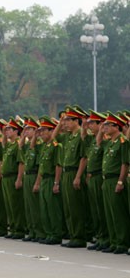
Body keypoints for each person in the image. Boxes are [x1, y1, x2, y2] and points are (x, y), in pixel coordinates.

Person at [53, 106, 88, 248]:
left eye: (68, 120)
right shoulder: (68, 136)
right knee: (68, 207)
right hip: (66, 173)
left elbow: (83, 158)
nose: (65, 123)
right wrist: (60, 122)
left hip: (74, 172)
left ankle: (79, 237)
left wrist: (78, 177)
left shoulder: (81, 135)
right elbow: (54, 137)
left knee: (75, 207)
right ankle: (73, 235)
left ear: (76, 121)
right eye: (64, 120)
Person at [98, 112, 130, 254]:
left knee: (118, 213)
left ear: (116, 127)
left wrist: (120, 181)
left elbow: (124, 163)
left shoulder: (122, 142)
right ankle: (114, 241)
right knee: (109, 213)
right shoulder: (110, 142)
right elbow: (98, 142)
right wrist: (101, 130)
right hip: (107, 180)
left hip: (115, 179)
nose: (104, 128)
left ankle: (122, 242)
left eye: (107, 125)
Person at [34, 116, 63, 245]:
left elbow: (58, 165)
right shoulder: (44, 147)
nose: (41, 134)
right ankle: (48, 233)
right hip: (44, 179)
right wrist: (38, 183)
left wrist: (56, 183)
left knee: (53, 208)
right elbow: (41, 167)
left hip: (51, 179)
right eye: (40, 131)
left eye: (44, 131)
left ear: (51, 131)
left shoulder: (56, 146)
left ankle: (56, 234)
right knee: (44, 208)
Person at [82, 110, 109, 251]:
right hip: (91, 176)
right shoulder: (91, 139)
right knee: (95, 210)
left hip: (99, 176)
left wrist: (102, 129)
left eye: (93, 123)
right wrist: (84, 125)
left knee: (101, 209)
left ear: (100, 125)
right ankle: (99, 237)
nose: (90, 125)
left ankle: (105, 238)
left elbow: (100, 142)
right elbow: (83, 135)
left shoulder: (104, 139)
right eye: (90, 122)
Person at [19, 117, 45, 242]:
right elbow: (20, 146)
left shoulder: (39, 145)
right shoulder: (28, 146)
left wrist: (37, 182)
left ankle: (39, 232)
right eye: (26, 129)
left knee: (35, 206)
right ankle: (32, 231)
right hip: (27, 176)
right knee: (28, 206)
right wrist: (23, 136)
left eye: (29, 129)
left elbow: (40, 165)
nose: (26, 131)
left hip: (34, 175)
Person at [1, 117, 26, 239]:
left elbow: (21, 163)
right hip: (5, 178)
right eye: (6, 129)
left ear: (17, 131)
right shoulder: (9, 145)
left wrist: (19, 179)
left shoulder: (17, 145)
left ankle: (19, 229)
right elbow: (3, 142)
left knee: (15, 204)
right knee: (8, 204)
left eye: (10, 129)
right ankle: (13, 227)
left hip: (13, 177)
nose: (7, 131)